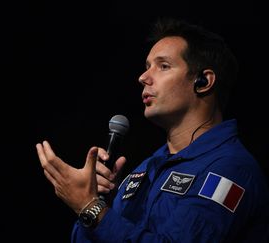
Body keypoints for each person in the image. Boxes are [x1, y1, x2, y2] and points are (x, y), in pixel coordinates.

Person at [36, 18, 269, 242]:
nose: (143, 77)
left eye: (163, 66)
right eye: (147, 67)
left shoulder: (231, 169)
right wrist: (97, 200)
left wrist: (90, 207)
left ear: (203, 81)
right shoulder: (145, 170)